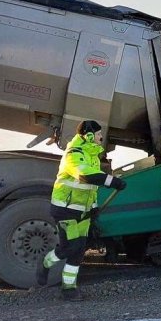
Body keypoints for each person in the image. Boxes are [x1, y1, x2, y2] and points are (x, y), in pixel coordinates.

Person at [36, 120, 127, 300]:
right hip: (65, 210)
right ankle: (46, 262)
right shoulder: (73, 154)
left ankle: (69, 288)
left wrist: (93, 208)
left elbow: (90, 189)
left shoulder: (92, 155)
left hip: (83, 211)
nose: (102, 137)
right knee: (70, 247)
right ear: (90, 136)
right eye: (99, 133)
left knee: (78, 251)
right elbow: (85, 176)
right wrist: (111, 181)